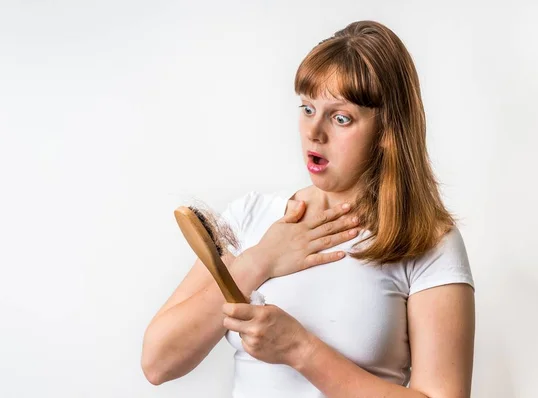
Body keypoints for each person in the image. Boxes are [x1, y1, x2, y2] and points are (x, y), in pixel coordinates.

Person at [142, 20, 475, 398]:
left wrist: (301, 350)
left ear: (387, 131)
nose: (314, 131)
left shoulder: (426, 241)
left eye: (340, 117)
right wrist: (258, 262)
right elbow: (157, 363)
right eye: (307, 108)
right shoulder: (253, 218)